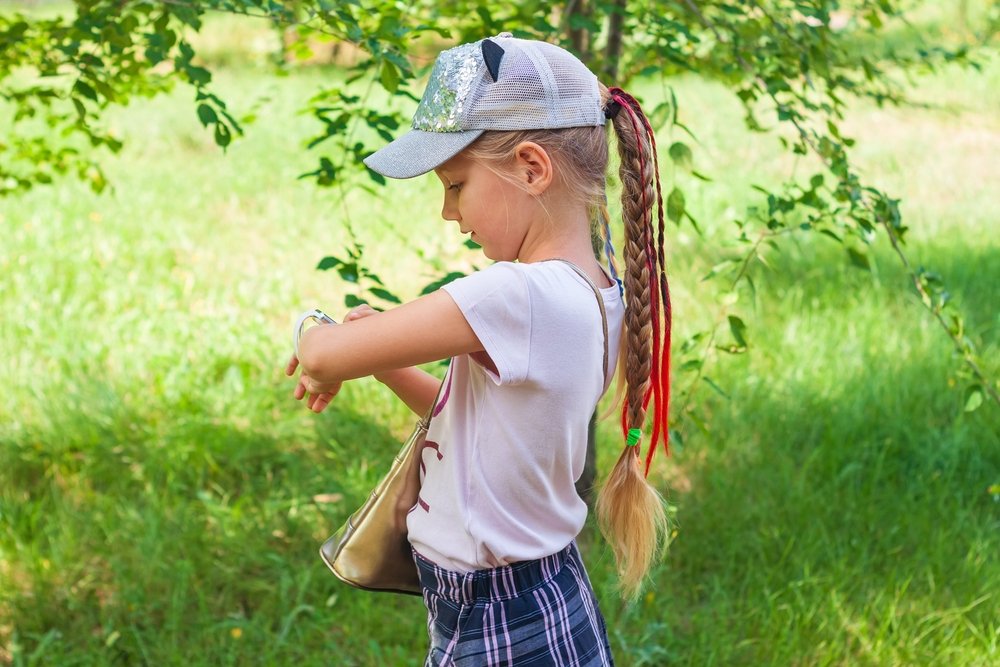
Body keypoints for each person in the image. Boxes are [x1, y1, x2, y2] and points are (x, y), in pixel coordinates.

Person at [285, 32, 672, 666]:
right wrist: (380, 360)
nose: (447, 211)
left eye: (456, 184)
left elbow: (324, 355)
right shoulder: (595, 291)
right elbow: (475, 419)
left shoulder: (516, 296)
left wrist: (315, 329)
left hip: (496, 619)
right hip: (538, 597)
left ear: (531, 167)